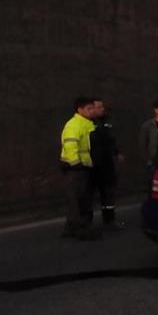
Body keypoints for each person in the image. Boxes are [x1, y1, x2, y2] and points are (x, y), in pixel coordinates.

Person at [60, 96, 99, 239]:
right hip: (76, 168)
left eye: (93, 108)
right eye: (89, 108)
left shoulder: (87, 124)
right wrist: (76, 163)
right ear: (80, 110)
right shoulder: (74, 125)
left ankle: (71, 227)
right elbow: (70, 145)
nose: (92, 111)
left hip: (84, 166)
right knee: (78, 199)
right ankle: (80, 228)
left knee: (80, 198)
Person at [89, 98, 124, 228]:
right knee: (90, 193)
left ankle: (109, 220)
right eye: (97, 107)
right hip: (93, 163)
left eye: (101, 107)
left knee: (108, 193)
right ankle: (87, 221)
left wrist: (117, 152)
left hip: (107, 162)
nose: (101, 109)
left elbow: (111, 139)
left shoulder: (107, 122)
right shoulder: (88, 123)